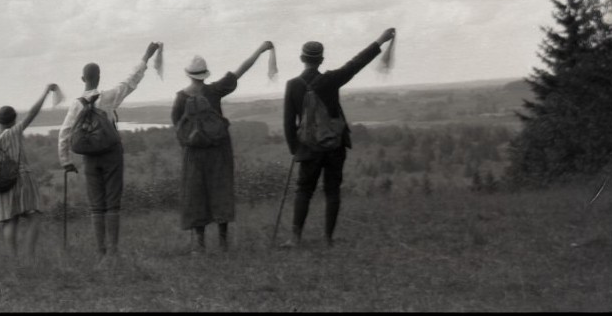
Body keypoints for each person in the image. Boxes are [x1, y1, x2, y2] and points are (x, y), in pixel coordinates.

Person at [281, 28, 396, 248]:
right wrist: (381, 39)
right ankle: (328, 239)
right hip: (335, 144)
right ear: (321, 60)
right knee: (332, 190)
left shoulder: (293, 85)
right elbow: (356, 63)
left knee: (304, 191)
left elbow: (288, 122)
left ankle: (295, 238)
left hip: (308, 147)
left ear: (301, 59)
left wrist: (296, 150)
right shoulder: (332, 79)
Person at [58, 42, 161, 262]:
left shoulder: (76, 105)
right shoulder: (109, 97)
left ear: (83, 79)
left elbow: (65, 133)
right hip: (112, 153)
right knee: (113, 201)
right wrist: (146, 56)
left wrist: (66, 161)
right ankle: (113, 250)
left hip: (90, 158)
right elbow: (131, 80)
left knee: (97, 203)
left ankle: (100, 251)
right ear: (99, 77)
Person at [171, 41, 275, 254]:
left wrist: (190, 141)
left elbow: (177, 125)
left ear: (189, 75)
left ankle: (199, 245)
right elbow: (241, 70)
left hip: (194, 153)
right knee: (221, 191)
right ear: (205, 75)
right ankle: (223, 242)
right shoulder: (215, 90)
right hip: (219, 150)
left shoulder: (181, 97)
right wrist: (261, 49)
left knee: (196, 193)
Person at [0, 83, 60, 260]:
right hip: (21, 178)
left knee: (10, 220)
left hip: (1, 183)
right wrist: (45, 92)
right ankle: (29, 255)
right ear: (13, 120)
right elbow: (33, 113)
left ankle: (14, 260)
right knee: (34, 216)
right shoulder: (14, 132)